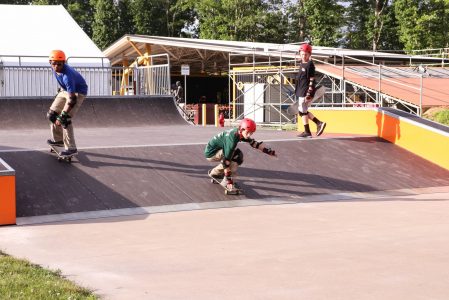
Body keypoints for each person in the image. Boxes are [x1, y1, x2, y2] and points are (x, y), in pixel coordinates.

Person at [204, 118, 276, 190]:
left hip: (215, 150)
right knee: (235, 156)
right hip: (211, 153)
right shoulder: (232, 140)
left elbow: (254, 143)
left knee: (235, 156)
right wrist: (229, 180)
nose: (248, 135)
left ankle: (215, 173)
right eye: (248, 132)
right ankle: (227, 181)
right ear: (242, 129)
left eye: (251, 133)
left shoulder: (239, 132)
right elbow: (225, 162)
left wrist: (268, 151)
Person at [46, 50, 88, 156]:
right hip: (64, 91)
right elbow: (63, 84)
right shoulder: (55, 69)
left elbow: (72, 100)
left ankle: (71, 148)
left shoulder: (67, 76)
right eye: (53, 63)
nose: (56, 66)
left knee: (65, 120)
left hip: (78, 93)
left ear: (64, 62)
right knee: (51, 115)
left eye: (59, 64)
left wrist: (63, 115)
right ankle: (59, 140)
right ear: (50, 62)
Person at [294, 43, 326, 138]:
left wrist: (309, 93)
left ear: (309, 54)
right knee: (302, 111)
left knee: (303, 111)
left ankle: (316, 125)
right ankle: (312, 128)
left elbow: (312, 79)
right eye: (302, 54)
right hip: (300, 90)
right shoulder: (302, 64)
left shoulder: (310, 64)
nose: (304, 56)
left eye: (306, 54)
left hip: (305, 91)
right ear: (300, 53)